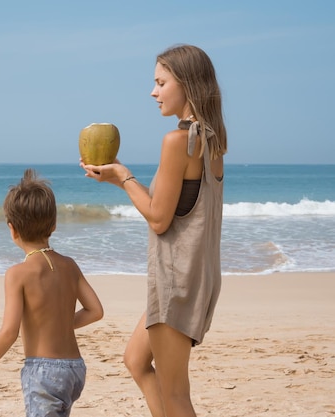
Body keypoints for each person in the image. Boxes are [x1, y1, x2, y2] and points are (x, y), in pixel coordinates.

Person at [81, 44, 226, 417]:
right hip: (197, 278)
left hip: (175, 281)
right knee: (135, 360)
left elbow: (159, 220)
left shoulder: (177, 141)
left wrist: (123, 174)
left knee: (176, 394)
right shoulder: (210, 140)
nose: (153, 92)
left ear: (187, 84)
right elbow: (170, 207)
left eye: (161, 82)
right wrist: (119, 181)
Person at [0, 168, 104, 417]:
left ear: (12, 229)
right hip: (75, 370)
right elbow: (96, 311)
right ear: (54, 225)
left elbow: (8, 332)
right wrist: (59, 324)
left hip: (43, 373)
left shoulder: (17, 274)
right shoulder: (69, 265)